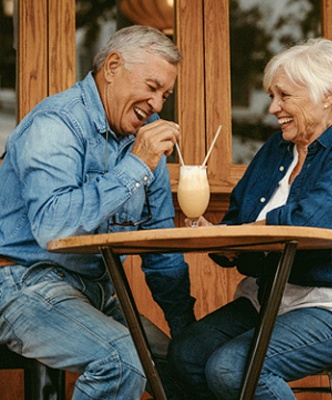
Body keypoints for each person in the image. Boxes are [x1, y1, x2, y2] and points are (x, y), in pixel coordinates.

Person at [168, 37, 332, 399]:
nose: (273, 108)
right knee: (187, 355)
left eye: (284, 96)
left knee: (231, 368)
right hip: (269, 298)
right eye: (272, 95)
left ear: (326, 95)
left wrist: (241, 235)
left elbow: (310, 221)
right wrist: (224, 241)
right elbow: (240, 218)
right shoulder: (276, 149)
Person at [0, 25, 195, 399]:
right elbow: (54, 227)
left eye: (165, 95)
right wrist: (136, 164)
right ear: (112, 66)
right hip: (21, 283)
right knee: (122, 360)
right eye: (152, 87)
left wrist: (186, 331)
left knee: (183, 370)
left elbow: (161, 247)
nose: (157, 105)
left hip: (96, 291)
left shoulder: (145, 136)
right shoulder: (55, 124)